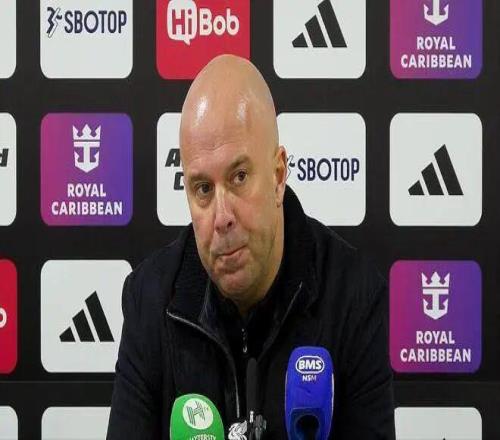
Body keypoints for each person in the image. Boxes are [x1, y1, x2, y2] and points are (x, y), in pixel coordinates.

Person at [107, 54, 395, 439]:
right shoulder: (149, 300)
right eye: (203, 189)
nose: (222, 216)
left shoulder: (353, 297)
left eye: (239, 177)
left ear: (278, 175)